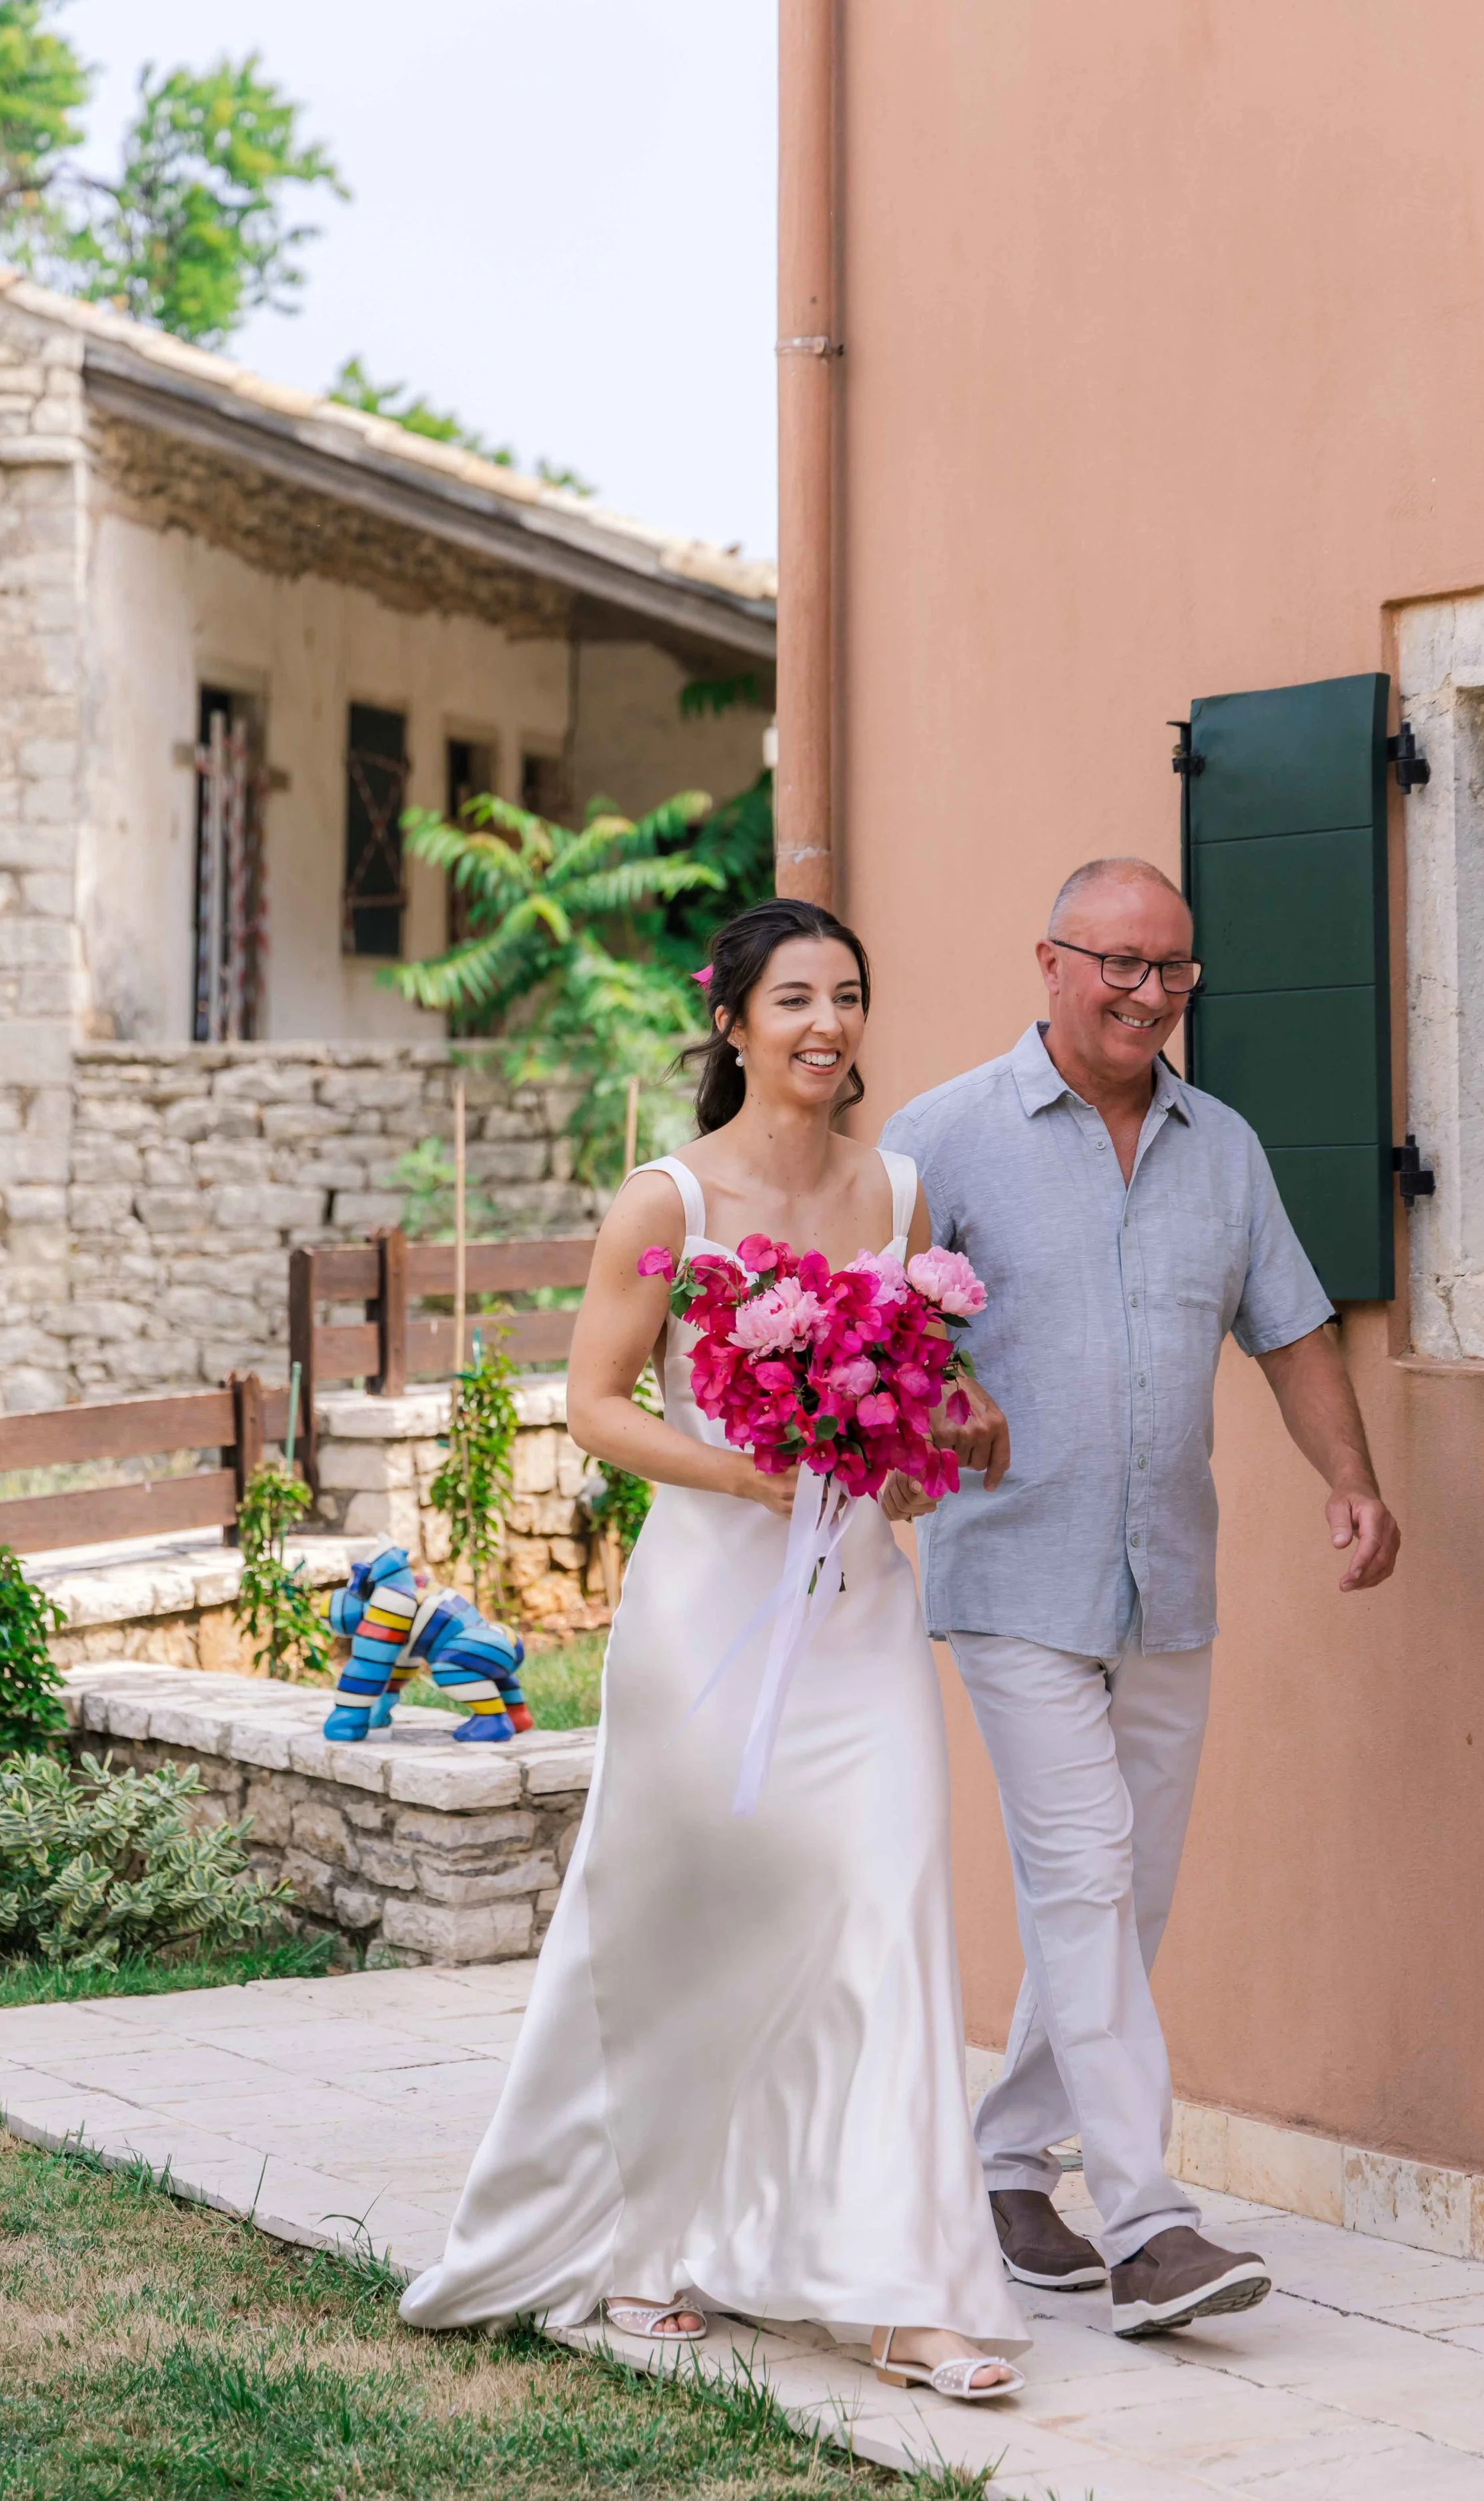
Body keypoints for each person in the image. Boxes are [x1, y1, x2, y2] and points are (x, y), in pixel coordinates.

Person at [400, 897, 1027, 2402]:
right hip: (705, 1615)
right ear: (734, 1022)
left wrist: (954, 1429)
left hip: (859, 1607)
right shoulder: (663, 1202)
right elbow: (598, 1404)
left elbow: (916, 1399)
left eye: (849, 997)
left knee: (885, 1898)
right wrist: (747, 1471)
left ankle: (904, 2289)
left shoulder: (899, 1193)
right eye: (795, 998)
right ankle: (642, 2241)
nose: (827, 1024)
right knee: (686, 1913)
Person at [880, 856, 1401, 2340]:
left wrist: (1345, 1479)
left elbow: (1290, 1330)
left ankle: (1000, 2165)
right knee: (1086, 1876)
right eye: (1116, 964)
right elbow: (874, 1335)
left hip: (1167, 1574)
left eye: (1170, 969)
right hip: (1011, 1570)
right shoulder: (945, 1140)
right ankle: (1148, 2226)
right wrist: (944, 1401)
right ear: (1046, 962)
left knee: (1123, 1894)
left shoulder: (1218, 1148)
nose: (1145, 993)